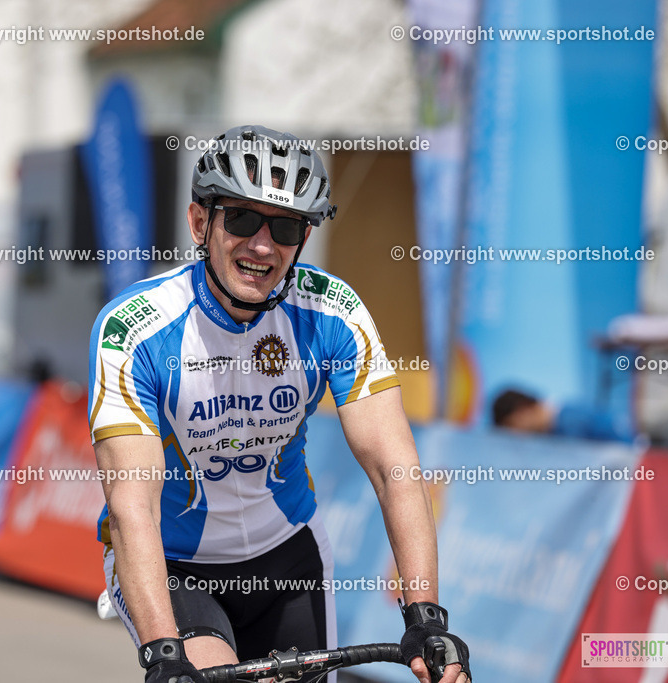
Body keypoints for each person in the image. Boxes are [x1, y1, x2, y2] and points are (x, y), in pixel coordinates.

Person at [88, 125, 470, 683]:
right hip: (175, 566)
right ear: (200, 223)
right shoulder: (136, 328)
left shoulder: (332, 312)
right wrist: (162, 650)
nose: (262, 245)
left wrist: (425, 617)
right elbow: (131, 509)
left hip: (287, 553)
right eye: (242, 219)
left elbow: (396, 469)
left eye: (286, 226)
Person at [492, 388, 635, 442]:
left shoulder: (570, 421)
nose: (515, 435)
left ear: (523, 410)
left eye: (512, 426)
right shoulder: (556, 426)